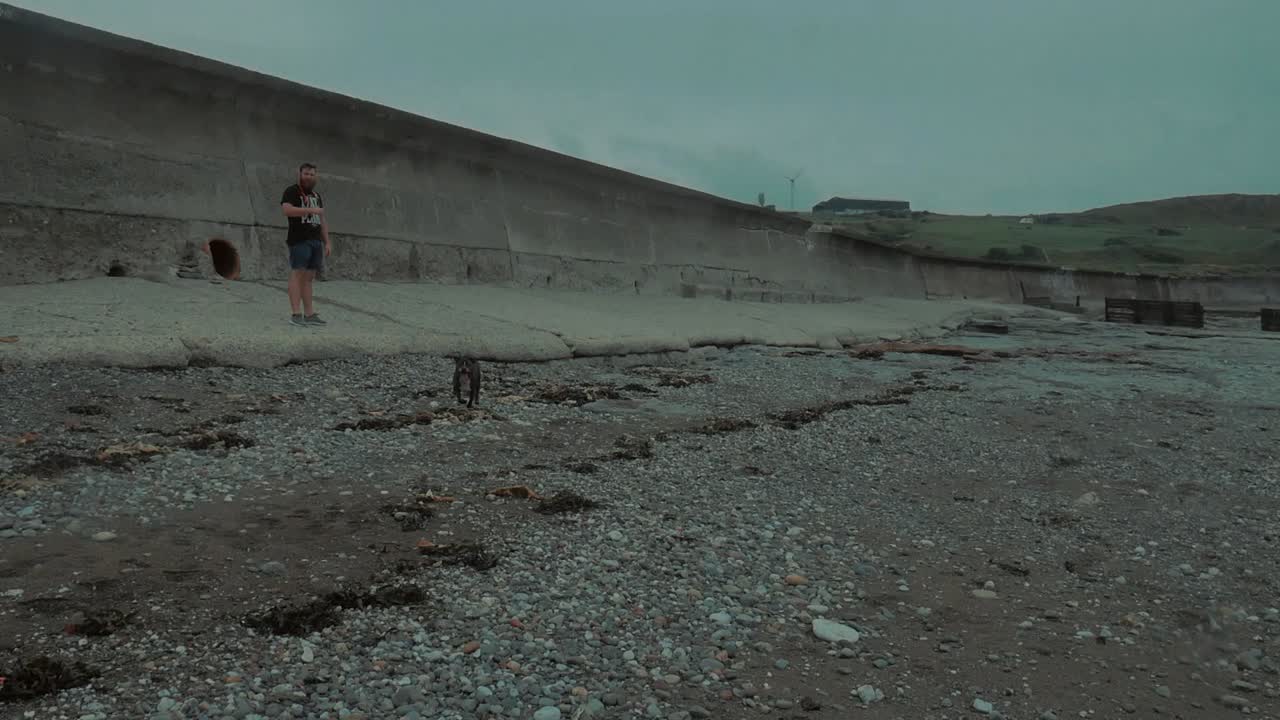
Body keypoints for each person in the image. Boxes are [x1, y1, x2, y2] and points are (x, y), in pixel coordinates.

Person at [280, 163, 331, 326]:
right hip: (299, 239)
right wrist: (310, 211)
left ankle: (309, 314)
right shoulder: (292, 191)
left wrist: (327, 241)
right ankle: (295, 314)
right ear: (300, 174)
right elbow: (287, 210)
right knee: (297, 274)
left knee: (309, 278)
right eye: (306, 174)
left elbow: (322, 220)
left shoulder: (317, 196)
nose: (309, 177)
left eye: (312, 174)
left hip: (315, 241)